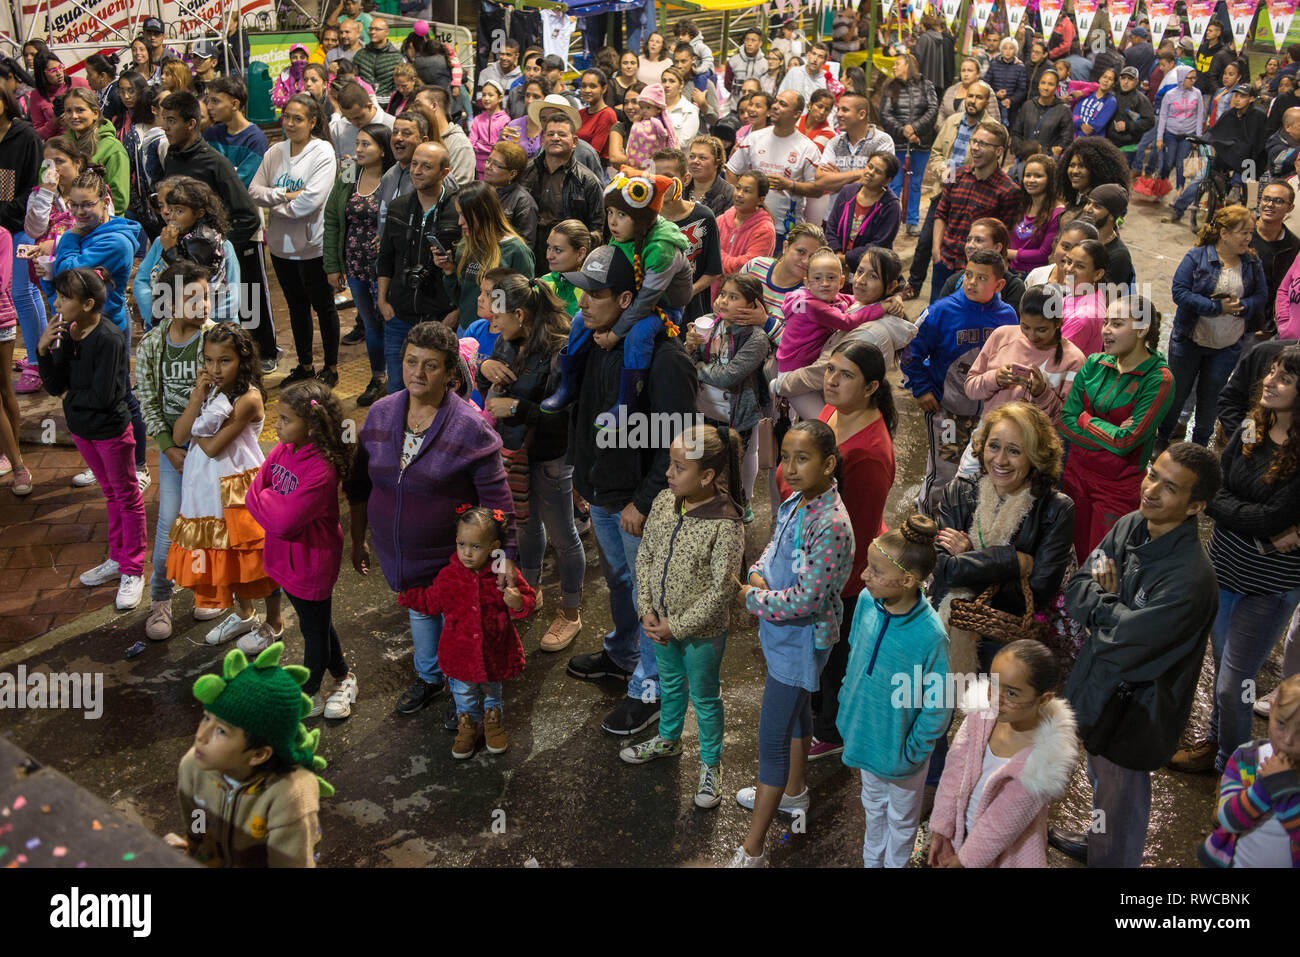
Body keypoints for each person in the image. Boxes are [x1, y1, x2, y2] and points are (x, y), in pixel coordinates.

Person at [1050, 443, 1221, 868]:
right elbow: (1076, 591)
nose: (1151, 490)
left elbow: (1127, 644)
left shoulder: (1190, 578)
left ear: (1195, 505)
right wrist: (1113, 607)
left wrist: (1105, 603)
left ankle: (1114, 859)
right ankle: (1098, 842)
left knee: (1122, 796)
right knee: (1098, 781)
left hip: (1136, 707)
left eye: (1170, 488)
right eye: (1152, 475)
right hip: (1098, 685)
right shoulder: (1131, 525)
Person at [345, 319, 518, 721]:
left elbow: (498, 504)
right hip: (400, 557)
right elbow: (358, 484)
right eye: (410, 362)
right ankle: (429, 678)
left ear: (451, 373)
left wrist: (504, 559)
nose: (417, 374)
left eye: (431, 365)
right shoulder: (381, 413)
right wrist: (357, 539)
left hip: (453, 560)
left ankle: (468, 705)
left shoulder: (470, 428)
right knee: (421, 615)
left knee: (462, 629)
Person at [563, 244, 699, 736]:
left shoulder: (664, 360)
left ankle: (653, 689)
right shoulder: (598, 343)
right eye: (581, 293)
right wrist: (583, 478)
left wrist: (644, 503)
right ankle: (623, 653)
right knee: (622, 583)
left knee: (652, 597)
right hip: (602, 494)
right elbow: (587, 418)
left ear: (626, 299)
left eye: (594, 295)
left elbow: (677, 445)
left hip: (638, 505)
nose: (582, 303)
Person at [730, 421, 855, 867]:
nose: (791, 467)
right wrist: (759, 571)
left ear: (828, 463)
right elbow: (772, 546)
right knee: (800, 714)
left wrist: (753, 597)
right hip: (781, 634)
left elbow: (809, 599)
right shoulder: (796, 501)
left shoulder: (831, 524)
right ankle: (795, 794)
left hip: (801, 641)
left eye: (802, 458)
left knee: (772, 741)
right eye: (785, 457)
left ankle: (753, 850)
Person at [1169, 346, 1300, 775]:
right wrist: (1257, 525)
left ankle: (1234, 770)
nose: (1270, 381)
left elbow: (1275, 513)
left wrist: (1236, 513)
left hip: (1268, 588)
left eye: (1284, 378)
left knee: (1234, 685)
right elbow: (1217, 490)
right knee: (1225, 670)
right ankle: (1214, 742)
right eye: (1272, 372)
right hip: (1223, 569)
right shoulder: (1250, 429)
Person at [621, 424, 745, 809]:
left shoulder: (726, 523)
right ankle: (668, 739)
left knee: (706, 698)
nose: (668, 474)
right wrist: (647, 611)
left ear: (707, 476)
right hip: (659, 624)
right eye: (670, 465)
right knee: (671, 686)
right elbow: (645, 556)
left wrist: (677, 625)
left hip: (700, 633)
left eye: (678, 467)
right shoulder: (663, 502)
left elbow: (723, 589)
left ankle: (711, 766)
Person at [476, 272, 585, 652]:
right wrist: (483, 368)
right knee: (526, 527)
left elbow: (568, 412)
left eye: (498, 318)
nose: (492, 324)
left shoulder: (560, 348)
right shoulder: (509, 342)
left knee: (563, 537)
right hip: (516, 452)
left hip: (550, 456)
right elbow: (492, 385)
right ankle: (530, 589)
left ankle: (570, 613)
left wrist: (518, 407)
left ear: (520, 314)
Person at [931, 400, 1075, 682]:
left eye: (1014, 451)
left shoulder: (1056, 509)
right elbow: (944, 570)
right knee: (934, 709)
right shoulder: (958, 491)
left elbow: (1038, 591)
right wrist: (1012, 560)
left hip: (1007, 635)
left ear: (1036, 456)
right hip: (948, 621)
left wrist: (970, 558)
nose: (1000, 460)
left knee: (989, 716)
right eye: (993, 446)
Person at [241, 377, 356, 716]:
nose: (276, 426)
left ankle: (309, 692)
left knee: (313, 630)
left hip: (311, 563)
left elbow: (282, 521)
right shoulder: (283, 449)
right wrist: (268, 499)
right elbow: (252, 493)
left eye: (286, 420)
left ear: (312, 425)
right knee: (316, 622)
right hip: (284, 558)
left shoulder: (321, 470)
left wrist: (266, 498)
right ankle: (343, 675)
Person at [838, 514, 948, 867]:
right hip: (866, 734)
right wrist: (846, 704)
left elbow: (939, 702)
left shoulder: (931, 635)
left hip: (903, 752)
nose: (864, 575)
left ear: (907, 580)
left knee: (902, 821)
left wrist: (915, 749)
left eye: (875, 570)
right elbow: (855, 653)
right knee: (872, 807)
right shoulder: (867, 604)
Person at [164, 322, 281, 645]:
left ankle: (274, 622)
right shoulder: (210, 390)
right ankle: (246, 616)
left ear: (242, 360)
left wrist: (197, 419)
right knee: (225, 554)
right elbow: (178, 436)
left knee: (255, 557)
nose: (215, 369)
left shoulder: (249, 399)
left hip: (240, 488)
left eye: (224, 361)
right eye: (209, 360)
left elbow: (213, 445)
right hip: (204, 487)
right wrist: (196, 400)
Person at [37, 266, 145, 609]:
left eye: (64, 297)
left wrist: (71, 399)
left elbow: (105, 396)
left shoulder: (110, 338)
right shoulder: (69, 334)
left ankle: (134, 569)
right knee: (111, 495)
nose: (57, 302)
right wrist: (43, 351)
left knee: (127, 498)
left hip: (111, 433)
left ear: (86, 304)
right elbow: (55, 385)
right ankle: (117, 558)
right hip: (84, 431)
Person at [542, 170, 690, 416]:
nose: (612, 221)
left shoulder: (662, 248)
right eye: (610, 212)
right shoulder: (624, 234)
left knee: (638, 334)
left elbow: (645, 302)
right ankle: (567, 386)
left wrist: (614, 334)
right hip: (629, 300)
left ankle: (627, 403)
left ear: (643, 216)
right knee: (579, 321)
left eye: (622, 214)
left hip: (663, 309)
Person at [176, 642, 331, 867]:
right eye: (206, 718)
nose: (201, 736)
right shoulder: (193, 765)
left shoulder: (290, 795)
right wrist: (197, 852)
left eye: (221, 731)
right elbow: (196, 827)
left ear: (259, 754)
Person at [929, 640, 1079, 868]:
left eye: (1011, 693)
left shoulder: (1043, 763)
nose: (996, 699)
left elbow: (1001, 824)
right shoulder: (980, 715)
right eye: (994, 684)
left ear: (1044, 699)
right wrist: (942, 828)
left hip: (1005, 853)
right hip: (961, 830)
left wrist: (965, 860)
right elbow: (954, 771)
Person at [405, 505, 536, 759]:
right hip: (459, 652)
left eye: (475, 547)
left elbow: (528, 599)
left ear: (493, 546)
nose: (466, 552)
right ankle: (467, 726)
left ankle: (493, 723)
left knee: (491, 691)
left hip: (494, 650)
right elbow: (430, 602)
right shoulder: (448, 576)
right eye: (461, 544)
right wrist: (408, 595)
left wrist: (519, 602)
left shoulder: (502, 574)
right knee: (463, 693)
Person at [51, 163, 150, 492]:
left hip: (109, 328)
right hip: (81, 326)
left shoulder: (118, 242)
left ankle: (138, 465)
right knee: (89, 390)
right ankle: (101, 460)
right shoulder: (88, 234)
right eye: (74, 204)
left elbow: (65, 273)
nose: (79, 212)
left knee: (120, 395)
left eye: (87, 204)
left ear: (105, 201)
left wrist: (67, 238)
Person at [137, 261, 223, 640]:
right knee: (170, 524)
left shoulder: (216, 339)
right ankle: (160, 596)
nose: (203, 304)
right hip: (175, 453)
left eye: (205, 295)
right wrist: (168, 449)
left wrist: (207, 448)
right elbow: (148, 402)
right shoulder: (152, 345)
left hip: (211, 451)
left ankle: (206, 590)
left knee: (211, 521)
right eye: (191, 298)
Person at [160, 91, 272, 370]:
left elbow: (248, 216)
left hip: (221, 260)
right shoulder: (172, 156)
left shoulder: (215, 163)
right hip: (188, 264)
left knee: (245, 310)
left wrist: (220, 250)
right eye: (164, 120)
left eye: (172, 120)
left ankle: (261, 358)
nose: (166, 127)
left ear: (191, 123)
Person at [1060, 294, 1175, 561]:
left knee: (1102, 561)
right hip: (1075, 474)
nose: (1106, 330)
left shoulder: (1158, 378)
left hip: (1116, 487)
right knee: (1069, 551)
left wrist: (1086, 419)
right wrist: (1109, 432)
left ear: (1142, 329)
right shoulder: (1094, 363)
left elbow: (1126, 442)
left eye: (1118, 323)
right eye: (1107, 322)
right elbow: (1065, 421)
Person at [904, 249, 1018, 516]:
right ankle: (926, 523)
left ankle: (960, 524)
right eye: (968, 275)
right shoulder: (940, 312)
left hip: (990, 417)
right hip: (948, 413)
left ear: (999, 285)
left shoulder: (1008, 316)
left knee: (980, 472)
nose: (971, 282)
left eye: (981, 278)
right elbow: (910, 352)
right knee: (944, 470)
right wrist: (921, 390)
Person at [249, 94, 340, 387]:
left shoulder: (323, 151)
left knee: (323, 307)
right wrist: (284, 196)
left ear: (313, 122)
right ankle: (305, 364)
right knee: (296, 307)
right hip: (280, 246)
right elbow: (254, 190)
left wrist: (274, 202)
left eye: (297, 118)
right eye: (286, 116)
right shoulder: (275, 152)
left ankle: (331, 365)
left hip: (313, 246)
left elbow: (310, 202)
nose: (289, 123)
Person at [1159, 206, 1267, 447]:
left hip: (1226, 346)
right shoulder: (1196, 257)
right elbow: (1179, 292)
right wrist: (1217, 308)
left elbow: (1261, 297)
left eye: (1250, 233)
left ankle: (1198, 446)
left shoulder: (1251, 262)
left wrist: (1243, 305)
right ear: (1224, 233)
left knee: (1210, 400)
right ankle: (1162, 439)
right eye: (1243, 232)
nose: (1248, 238)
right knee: (1176, 396)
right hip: (1189, 341)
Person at [774, 250, 913, 418]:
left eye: (873, 276)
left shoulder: (870, 333)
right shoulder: (858, 306)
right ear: (807, 282)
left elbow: (824, 371)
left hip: (812, 388)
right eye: (860, 272)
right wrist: (893, 298)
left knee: (825, 433)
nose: (861, 281)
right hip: (802, 375)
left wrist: (779, 385)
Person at [377, 141, 460, 393]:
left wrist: (457, 311)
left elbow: (470, 265)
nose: (417, 170)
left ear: (444, 173)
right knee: (396, 387)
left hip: (440, 315)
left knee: (435, 389)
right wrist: (383, 301)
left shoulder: (458, 210)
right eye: (414, 164)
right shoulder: (398, 207)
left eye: (426, 166)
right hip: (399, 314)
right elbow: (386, 257)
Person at [682, 274, 771, 507]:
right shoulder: (709, 322)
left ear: (753, 305)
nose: (723, 301)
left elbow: (729, 375)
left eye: (733, 297)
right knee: (704, 461)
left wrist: (698, 367)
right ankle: (707, 503)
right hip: (704, 408)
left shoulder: (756, 338)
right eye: (722, 294)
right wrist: (690, 346)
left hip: (736, 414)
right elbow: (688, 358)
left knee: (733, 465)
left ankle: (739, 505)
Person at [324, 122, 394, 406]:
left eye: (367, 144)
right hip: (354, 264)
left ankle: (398, 379)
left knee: (391, 322)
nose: (359, 150)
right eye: (358, 143)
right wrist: (332, 265)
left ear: (382, 149)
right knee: (370, 323)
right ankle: (378, 377)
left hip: (385, 268)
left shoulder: (395, 176)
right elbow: (331, 218)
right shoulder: (349, 171)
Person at [1199, 672, 1300, 868]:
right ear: (1271, 710)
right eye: (1281, 723)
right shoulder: (1247, 759)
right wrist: (1263, 788)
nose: (1287, 740)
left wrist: (1284, 789)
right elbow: (1226, 819)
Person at [965, 285, 1086, 424]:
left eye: (1041, 329)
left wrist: (1042, 394)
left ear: (1059, 322)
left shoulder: (1074, 360)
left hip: (1037, 443)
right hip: (990, 433)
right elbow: (970, 388)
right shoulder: (1001, 336)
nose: (1032, 336)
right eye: (1025, 327)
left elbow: (1068, 420)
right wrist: (995, 378)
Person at [133, 175, 239, 327]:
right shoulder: (160, 241)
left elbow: (231, 299)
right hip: (164, 327)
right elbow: (141, 282)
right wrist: (160, 318)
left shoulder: (220, 245)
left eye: (177, 208)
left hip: (209, 330)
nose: (167, 212)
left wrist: (194, 323)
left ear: (197, 211)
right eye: (162, 205)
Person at [725, 89, 822, 252]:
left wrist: (790, 185)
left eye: (783, 104)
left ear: (797, 114)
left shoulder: (808, 148)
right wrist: (740, 201)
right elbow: (731, 171)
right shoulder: (754, 139)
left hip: (784, 231)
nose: (775, 106)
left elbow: (818, 190)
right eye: (776, 102)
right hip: (749, 224)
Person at [435, 181, 535, 332]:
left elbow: (524, 305)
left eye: (464, 215)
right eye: (459, 214)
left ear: (483, 213)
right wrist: (449, 272)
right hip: (467, 330)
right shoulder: (466, 244)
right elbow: (462, 300)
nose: (459, 222)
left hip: (499, 334)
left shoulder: (516, 251)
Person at [518, 113, 605, 266]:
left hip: (567, 261)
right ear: (543, 139)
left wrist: (575, 250)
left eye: (562, 134)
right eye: (550, 134)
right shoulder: (526, 171)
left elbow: (598, 228)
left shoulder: (587, 181)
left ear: (574, 142)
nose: (555, 138)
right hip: (528, 252)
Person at [879, 55, 939, 234]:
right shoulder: (890, 86)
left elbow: (933, 109)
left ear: (909, 65)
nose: (894, 67)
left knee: (915, 182)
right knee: (894, 183)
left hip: (920, 143)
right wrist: (903, 130)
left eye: (897, 63)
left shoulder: (926, 85)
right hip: (897, 144)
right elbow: (885, 114)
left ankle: (912, 221)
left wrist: (915, 130)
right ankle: (891, 220)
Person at [825, 151, 902, 273]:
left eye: (878, 172)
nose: (870, 173)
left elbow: (879, 245)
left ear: (887, 179)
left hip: (869, 269)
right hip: (836, 263)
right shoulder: (847, 192)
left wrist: (845, 259)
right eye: (870, 166)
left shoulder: (891, 206)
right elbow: (831, 226)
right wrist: (837, 255)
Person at [61, 87, 127, 214]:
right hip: (61, 222)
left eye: (80, 110)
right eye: (68, 111)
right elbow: (45, 184)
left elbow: (119, 201)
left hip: (103, 225)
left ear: (95, 113)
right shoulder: (60, 146)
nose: (74, 116)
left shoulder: (113, 149)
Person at [204, 76, 271, 189]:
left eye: (215, 101)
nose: (209, 106)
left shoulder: (255, 140)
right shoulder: (211, 133)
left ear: (235, 104)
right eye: (209, 100)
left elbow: (240, 184)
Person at [717, 170, 775, 281]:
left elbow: (747, 266)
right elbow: (706, 251)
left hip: (742, 291)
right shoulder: (721, 220)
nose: (739, 194)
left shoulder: (765, 230)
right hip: (712, 290)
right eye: (738, 188)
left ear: (760, 200)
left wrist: (717, 259)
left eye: (747, 191)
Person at [1154, 67, 1205, 193]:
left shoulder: (1197, 94)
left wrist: (1198, 137)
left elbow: (1200, 115)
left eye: (1194, 78)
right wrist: (1159, 137)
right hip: (1170, 134)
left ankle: (1179, 190)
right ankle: (1162, 181)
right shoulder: (1170, 95)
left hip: (1188, 134)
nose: (1193, 81)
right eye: (1190, 78)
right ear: (1182, 78)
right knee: (1168, 161)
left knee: (1181, 163)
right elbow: (1163, 116)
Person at [1079, 183, 1134, 289]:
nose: (1087, 209)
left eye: (1096, 206)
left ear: (1112, 216)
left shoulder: (1119, 257)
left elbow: (1107, 298)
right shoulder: (1082, 238)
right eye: (1088, 202)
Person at [1011, 69, 1074, 160]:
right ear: (1038, 85)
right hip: (1024, 158)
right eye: (1043, 83)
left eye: (1050, 84)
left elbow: (1067, 139)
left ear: (1056, 87)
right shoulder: (1028, 105)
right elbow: (1016, 133)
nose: (1045, 87)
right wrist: (1022, 151)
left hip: (1048, 160)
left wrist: (1054, 153)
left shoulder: (1063, 110)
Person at [327, 81, 394, 164]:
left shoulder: (393, 126)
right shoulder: (339, 128)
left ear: (369, 106)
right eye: (348, 119)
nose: (354, 123)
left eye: (358, 118)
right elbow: (339, 169)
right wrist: (347, 169)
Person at [29, 51, 89, 140]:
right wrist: (54, 123)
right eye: (52, 70)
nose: (59, 73)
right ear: (42, 74)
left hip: (85, 139)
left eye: (60, 67)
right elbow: (37, 134)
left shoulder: (80, 83)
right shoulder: (36, 95)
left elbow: (96, 112)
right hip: (57, 146)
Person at [624, 82, 678, 170]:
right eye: (642, 107)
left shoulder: (655, 122)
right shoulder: (639, 122)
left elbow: (663, 134)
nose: (644, 111)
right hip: (635, 161)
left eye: (648, 108)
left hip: (651, 161)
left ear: (658, 109)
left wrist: (662, 136)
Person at [1108, 66, 1156, 154]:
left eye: (1130, 79)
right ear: (1119, 79)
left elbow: (1149, 121)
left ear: (1136, 81)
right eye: (1123, 78)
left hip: (1129, 147)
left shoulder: (1141, 99)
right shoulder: (1111, 94)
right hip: (1109, 144)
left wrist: (1128, 126)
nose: (1125, 82)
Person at [353, 18, 402, 101]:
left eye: (377, 29)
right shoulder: (360, 55)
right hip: (364, 103)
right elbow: (354, 80)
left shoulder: (397, 57)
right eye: (371, 29)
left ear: (386, 32)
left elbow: (399, 85)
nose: (372, 32)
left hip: (388, 105)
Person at [685, 135, 733, 217]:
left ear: (717, 163)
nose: (695, 161)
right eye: (692, 156)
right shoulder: (679, 189)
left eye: (702, 158)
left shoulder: (729, 194)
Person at [987, 37, 1029, 127]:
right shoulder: (994, 65)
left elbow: (1022, 89)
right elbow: (986, 83)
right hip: (994, 105)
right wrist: (995, 94)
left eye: (1011, 48)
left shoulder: (1020, 67)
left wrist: (1011, 100)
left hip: (1012, 108)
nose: (1008, 51)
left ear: (1015, 51)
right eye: (1005, 48)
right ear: (1001, 50)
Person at [1074, 68, 1119, 136]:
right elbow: (1075, 113)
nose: (1106, 80)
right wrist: (1081, 124)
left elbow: (1097, 125)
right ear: (1099, 79)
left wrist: (1081, 133)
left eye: (1110, 79)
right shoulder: (1087, 93)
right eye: (1104, 77)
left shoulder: (1111, 101)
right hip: (1074, 134)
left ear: (1113, 84)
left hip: (1093, 140)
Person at [940, 58, 982, 123]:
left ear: (978, 74)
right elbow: (941, 113)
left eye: (970, 70)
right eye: (963, 70)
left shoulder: (985, 90)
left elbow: (993, 120)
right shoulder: (951, 89)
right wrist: (945, 129)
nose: (966, 74)